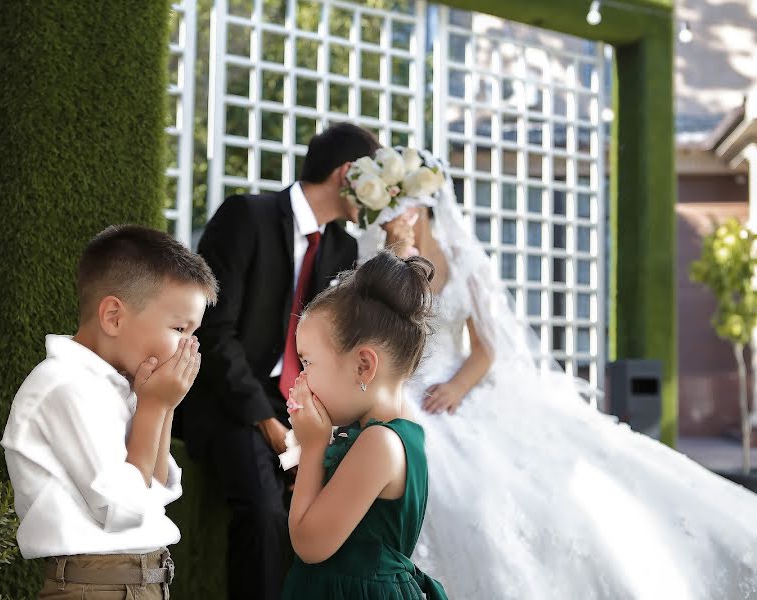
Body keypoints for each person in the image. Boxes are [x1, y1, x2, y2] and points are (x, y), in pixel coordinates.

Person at [364, 159, 757, 599]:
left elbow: (486, 349)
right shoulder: (382, 264)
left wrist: (457, 387)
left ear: (416, 209)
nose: (383, 222)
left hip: (453, 388)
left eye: (391, 212)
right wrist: (394, 261)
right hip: (402, 389)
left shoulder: (462, 262)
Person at [179, 122, 381, 600]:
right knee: (267, 510)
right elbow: (214, 329)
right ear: (347, 172)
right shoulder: (245, 215)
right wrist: (271, 425)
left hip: (295, 403)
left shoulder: (342, 248)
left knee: (337, 505)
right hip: (230, 399)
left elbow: (333, 351)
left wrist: (315, 435)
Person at [1, 225, 218, 599]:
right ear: (114, 317)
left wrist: (163, 407)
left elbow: (157, 489)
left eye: (194, 331)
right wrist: (153, 407)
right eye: (179, 327)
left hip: (142, 581)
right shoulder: (64, 385)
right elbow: (121, 508)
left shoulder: (120, 386)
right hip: (97, 587)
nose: (189, 345)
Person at [281, 251, 447, 599]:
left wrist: (313, 447)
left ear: (363, 367)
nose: (302, 378)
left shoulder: (380, 443)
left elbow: (310, 545)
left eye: (309, 363)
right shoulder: (384, 433)